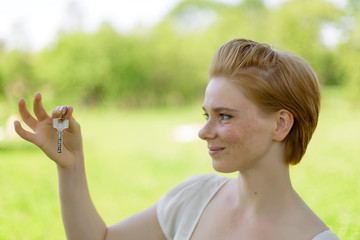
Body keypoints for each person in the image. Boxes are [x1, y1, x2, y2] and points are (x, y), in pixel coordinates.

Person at [14, 38, 339, 240]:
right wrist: (71, 165)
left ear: (281, 124)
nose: (203, 132)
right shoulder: (195, 198)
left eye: (224, 116)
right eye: (206, 115)